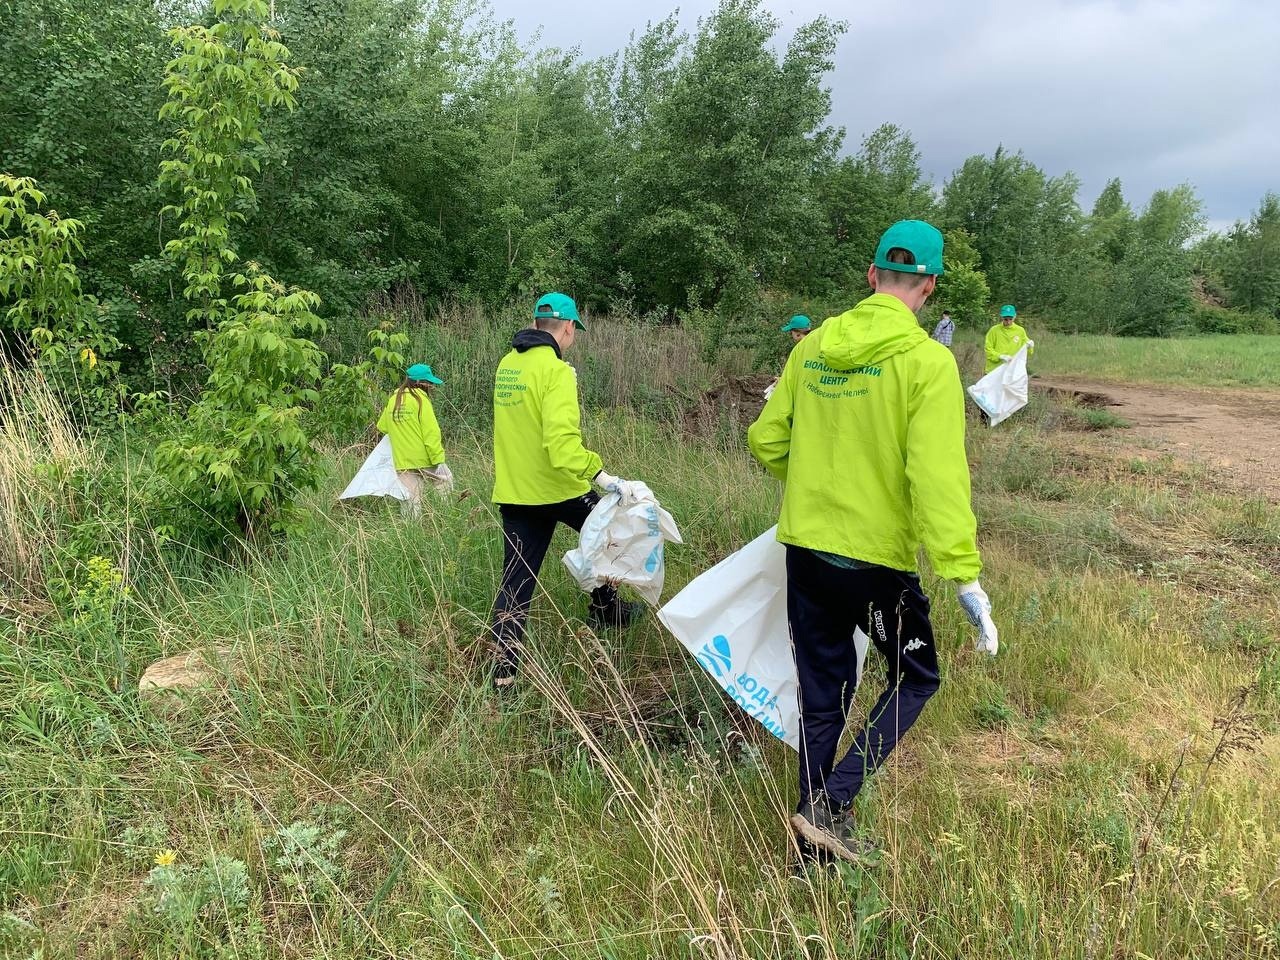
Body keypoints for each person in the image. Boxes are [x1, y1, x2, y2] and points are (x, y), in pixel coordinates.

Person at [747, 220, 1000, 865]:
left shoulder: (812, 350)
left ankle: (814, 845)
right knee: (916, 678)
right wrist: (963, 577)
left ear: (871, 278)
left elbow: (766, 440)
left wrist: (811, 486)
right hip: (874, 561)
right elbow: (937, 478)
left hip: (806, 550)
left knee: (821, 691)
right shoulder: (927, 363)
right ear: (930, 287)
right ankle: (832, 805)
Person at [489, 292, 645, 691]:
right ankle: (605, 608)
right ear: (568, 328)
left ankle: (503, 675)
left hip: (516, 491)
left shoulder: (508, 365)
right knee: (607, 539)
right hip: (562, 488)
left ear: (536, 323)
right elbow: (561, 446)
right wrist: (604, 477)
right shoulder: (557, 372)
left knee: (516, 581)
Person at [377, 363, 453, 515]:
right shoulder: (421, 401)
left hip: (401, 460)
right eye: (429, 382)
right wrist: (438, 460)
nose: (431, 386)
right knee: (446, 481)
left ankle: (409, 533)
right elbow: (431, 433)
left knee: (411, 501)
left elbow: (383, 426)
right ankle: (445, 517)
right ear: (419, 383)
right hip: (423, 459)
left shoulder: (394, 400)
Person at [984, 304, 1034, 372]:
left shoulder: (1020, 331)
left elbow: (1026, 351)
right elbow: (988, 349)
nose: (1008, 322)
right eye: (1006, 319)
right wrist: (1000, 356)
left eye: (1011, 319)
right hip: (994, 370)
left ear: (1015, 316)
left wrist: (1030, 346)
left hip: (1011, 370)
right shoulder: (994, 330)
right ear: (1001, 317)